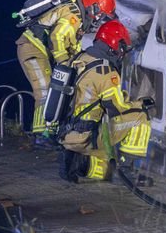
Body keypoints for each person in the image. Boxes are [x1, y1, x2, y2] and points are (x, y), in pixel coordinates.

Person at [57, 19, 153, 182]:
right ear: (116, 45)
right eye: (122, 49)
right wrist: (141, 104)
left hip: (66, 133)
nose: (123, 54)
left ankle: (80, 163)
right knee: (141, 117)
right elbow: (117, 109)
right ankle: (128, 169)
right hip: (87, 136)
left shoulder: (81, 57)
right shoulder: (106, 72)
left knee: (107, 172)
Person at [15, 0, 117, 137]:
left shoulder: (79, 18)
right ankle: (41, 135)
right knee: (44, 90)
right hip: (32, 49)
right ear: (94, 8)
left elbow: (72, 46)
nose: (99, 20)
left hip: (40, 51)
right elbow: (56, 37)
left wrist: (75, 63)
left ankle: (51, 131)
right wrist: (64, 63)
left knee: (54, 90)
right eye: (101, 15)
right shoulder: (73, 15)